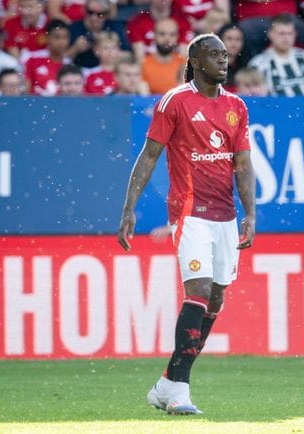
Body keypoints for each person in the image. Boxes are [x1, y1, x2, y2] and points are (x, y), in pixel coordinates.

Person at [117, 33, 256, 415]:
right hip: (190, 212)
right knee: (198, 290)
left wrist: (251, 214)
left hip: (225, 216)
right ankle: (180, 389)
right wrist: (129, 208)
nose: (223, 60)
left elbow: (242, 164)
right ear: (195, 61)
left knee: (215, 298)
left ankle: (167, 382)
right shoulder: (174, 102)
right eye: (213, 54)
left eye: (225, 55)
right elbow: (148, 157)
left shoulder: (237, 107)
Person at [248, 14, 304, 96]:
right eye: (281, 33)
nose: (286, 38)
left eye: (290, 33)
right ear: (270, 34)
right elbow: (254, 96)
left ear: (295, 34)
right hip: (274, 108)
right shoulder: (257, 64)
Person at [68, 0, 130, 68]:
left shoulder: (114, 26)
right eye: (90, 12)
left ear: (107, 14)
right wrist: (75, 49)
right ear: (85, 11)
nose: (94, 17)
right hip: (79, 70)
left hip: (110, 70)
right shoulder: (74, 27)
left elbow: (128, 54)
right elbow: (60, 59)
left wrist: (109, 49)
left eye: (100, 14)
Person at [24, 19, 71, 96]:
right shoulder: (33, 59)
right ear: (47, 38)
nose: (62, 42)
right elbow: (25, 91)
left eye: (65, 37)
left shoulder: (69, 65)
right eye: (57, 37)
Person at [141, 17, 186, 94]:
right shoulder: (143, 64)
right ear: (154, 35)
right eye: (162, 34)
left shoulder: (185, 64)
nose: (167, 38)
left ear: (177, 37)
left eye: (172, 34)